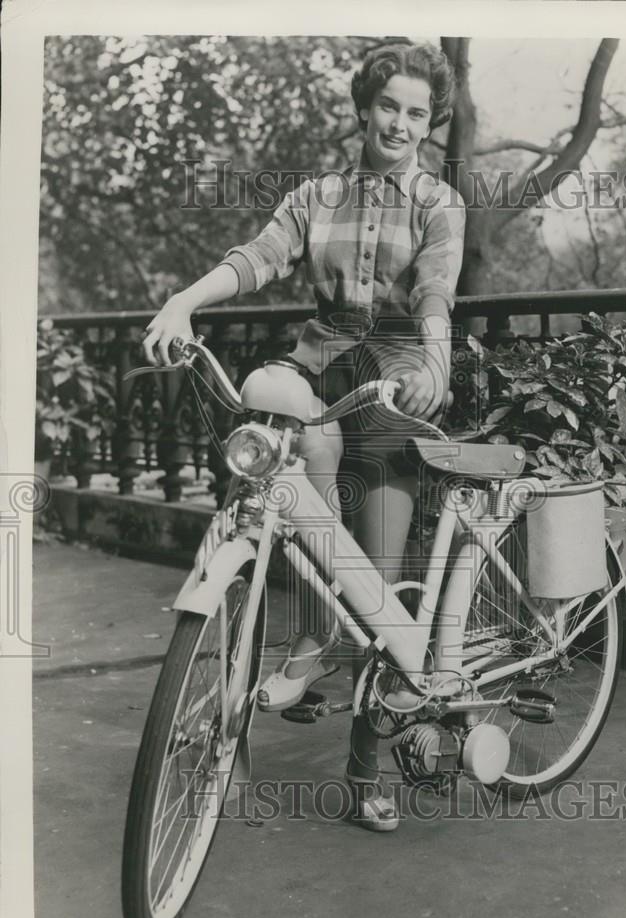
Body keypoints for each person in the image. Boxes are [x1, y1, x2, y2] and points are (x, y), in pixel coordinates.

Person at [143, 41, 466, 832]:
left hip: (391, 380)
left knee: (379, 591)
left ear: (431, 124)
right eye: (387, 105)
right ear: (364, 107)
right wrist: (183, 301)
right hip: (320, 361)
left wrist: (434, 357)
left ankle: (364, 772)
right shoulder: (317, 194)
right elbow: (259, 257)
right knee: (278, 442)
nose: (399, 122)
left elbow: (434, 292)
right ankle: (297, 645)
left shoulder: (438, 201)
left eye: (416, 112)